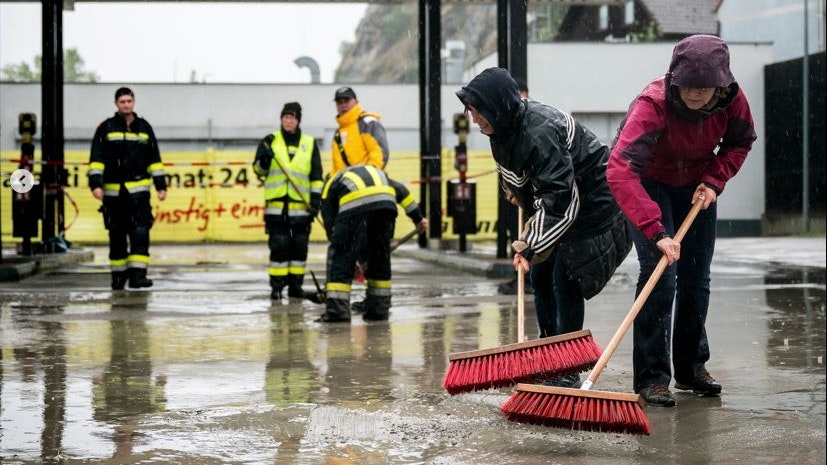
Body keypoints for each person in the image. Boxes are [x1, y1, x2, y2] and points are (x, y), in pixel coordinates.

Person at [456, 67, 632, 387]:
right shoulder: (502, 128)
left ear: (497, 106)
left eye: (479, 111)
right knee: (539, 273)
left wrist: (529, 243)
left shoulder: (540, 131)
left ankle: (567, 364)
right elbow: (515, 174)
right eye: (471, 111)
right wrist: (515, 193)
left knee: (566, 276)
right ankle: (547, 354)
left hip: (594, 203)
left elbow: (560, 199)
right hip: (558, 201)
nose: (474, 119)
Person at [606, 34, 756, 406]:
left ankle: (691, 368)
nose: (694, 94)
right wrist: (656, 231)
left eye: (704, 88)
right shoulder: (653, 104)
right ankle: (652, 377)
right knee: (661, 277)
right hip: (650, 183)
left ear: (720, 83)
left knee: (696, 279)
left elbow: (741, 141)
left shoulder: (732, 100)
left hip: (697, 188)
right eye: (687, 86)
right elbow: (621, 169)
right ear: (675, 78)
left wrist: (714, 179)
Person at [318, 164, 428, 323]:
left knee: (341, 254)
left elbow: (332, 231)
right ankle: (378, 309)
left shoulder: (328, 187)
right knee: (379, 257)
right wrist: (418, 218)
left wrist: (348, 261)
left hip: (355, 204)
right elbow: (402, 192)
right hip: (385, 206)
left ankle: (338, 312)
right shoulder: (372, 173)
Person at [88, 87, 167, 290]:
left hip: (139, 194)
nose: (126, 105)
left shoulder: (144, 127)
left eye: (129, 101)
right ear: (116, 104)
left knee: (140, 233)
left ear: (134, 102)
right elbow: (97, 159)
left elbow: (154, 159)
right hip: (114, 194)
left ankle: (138, 276)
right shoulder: (106, 128)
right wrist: (95, 185)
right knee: (117, 235)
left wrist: (161, 186)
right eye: (122, 102)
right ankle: (118, 277)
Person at [253, 102, 324, 300]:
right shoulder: (270, 141)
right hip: (277, 211)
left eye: (292, 117)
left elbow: (316, 176)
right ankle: (276, 288)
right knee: (279, 248)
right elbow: (258, 170)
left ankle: (295, 288)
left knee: (299, 251)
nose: (288, 121)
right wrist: (264, 159)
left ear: (298, 120)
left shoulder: (309, 143)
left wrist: (316, 202)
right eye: (285, 117)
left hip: (301, 210)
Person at [498, 78, 533, 295]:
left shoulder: (533, 125)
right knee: (517, 237)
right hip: (515, 197)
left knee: (533, 238)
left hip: (533, 199)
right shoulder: (503, 128)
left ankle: (529, 278)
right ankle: (519, 276)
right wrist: (511, 192)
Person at [330, 86, 389, 174]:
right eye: (339, 102)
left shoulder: (367, 123)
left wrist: (367, 177)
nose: (343, 105)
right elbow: (336, 166)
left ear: (356, 102)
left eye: (346, 101)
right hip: (346, 185)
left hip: (369, 184)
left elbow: (380, 155)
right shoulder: (338, 133)